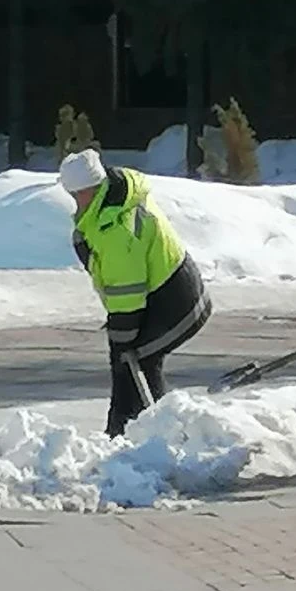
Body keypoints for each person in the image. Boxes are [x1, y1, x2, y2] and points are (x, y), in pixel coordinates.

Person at [59, 148, 212, 437]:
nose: (75, 203)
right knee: (128, 362)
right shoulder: (110, 203)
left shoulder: (115, 227)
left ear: (88, 190)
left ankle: (156, 437)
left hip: (176, 301)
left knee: (137, 360)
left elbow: (127, 291)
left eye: (76, 195)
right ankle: (126, 435)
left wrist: (122, 332)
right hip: (167, 291)